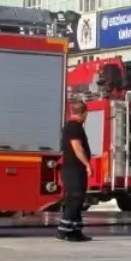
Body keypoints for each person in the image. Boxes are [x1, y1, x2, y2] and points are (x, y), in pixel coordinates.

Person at [58, 101, 93, 242]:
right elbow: (77, 148)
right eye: (86, 114)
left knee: (78, 199)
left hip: (74, 168)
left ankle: (76, 231)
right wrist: (87, 164)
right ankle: (64, 230)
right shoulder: (73, 127)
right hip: (73, 168)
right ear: (83, 113)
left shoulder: (74, 126)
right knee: (75, 198)